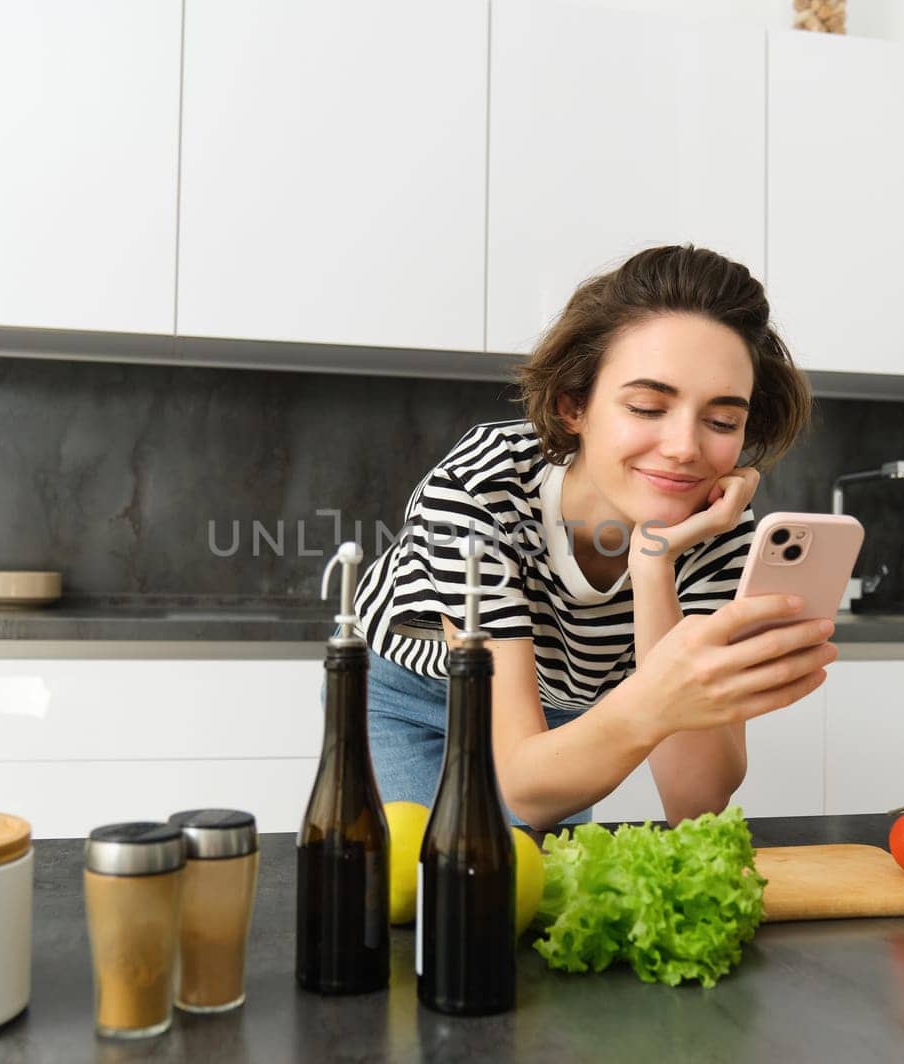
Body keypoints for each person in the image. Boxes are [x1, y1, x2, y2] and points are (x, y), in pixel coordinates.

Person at [353, 244, 834, 829]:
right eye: (647, 407)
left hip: (559, 712)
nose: (685, 448)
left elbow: (694, 798)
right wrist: (657, 698)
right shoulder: (478, 493)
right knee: (438, 887)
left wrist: (655, 563)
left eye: (721, 421)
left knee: (541, 891)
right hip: (411, 696)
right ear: (573, 406)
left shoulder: (717, 527)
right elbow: (526, 786)